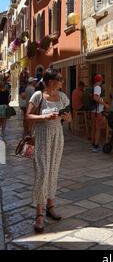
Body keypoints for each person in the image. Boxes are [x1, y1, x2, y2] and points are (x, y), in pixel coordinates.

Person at [26, 68, 71, 233]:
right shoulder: (38, 96)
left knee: (53, 170)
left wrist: (66, 117)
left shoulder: (63, 97)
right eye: (60, 79)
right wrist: (44, 117)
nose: (62, 82)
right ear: (52, 81)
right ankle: (39, 213)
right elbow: (28, 116)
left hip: (57, 136)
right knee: (42, 172)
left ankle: (50, 206)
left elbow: (69, 117)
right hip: (41, 136)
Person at [91, 74, 108, 152]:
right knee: (98, 128)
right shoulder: (98, 87)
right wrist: (105, 104)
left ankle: (93, 143)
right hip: (97, 111)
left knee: (95, 127)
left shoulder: (93, 86)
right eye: (102, 80)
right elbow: (95, 98)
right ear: (100, 80)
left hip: (93, 110)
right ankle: (96, 146)